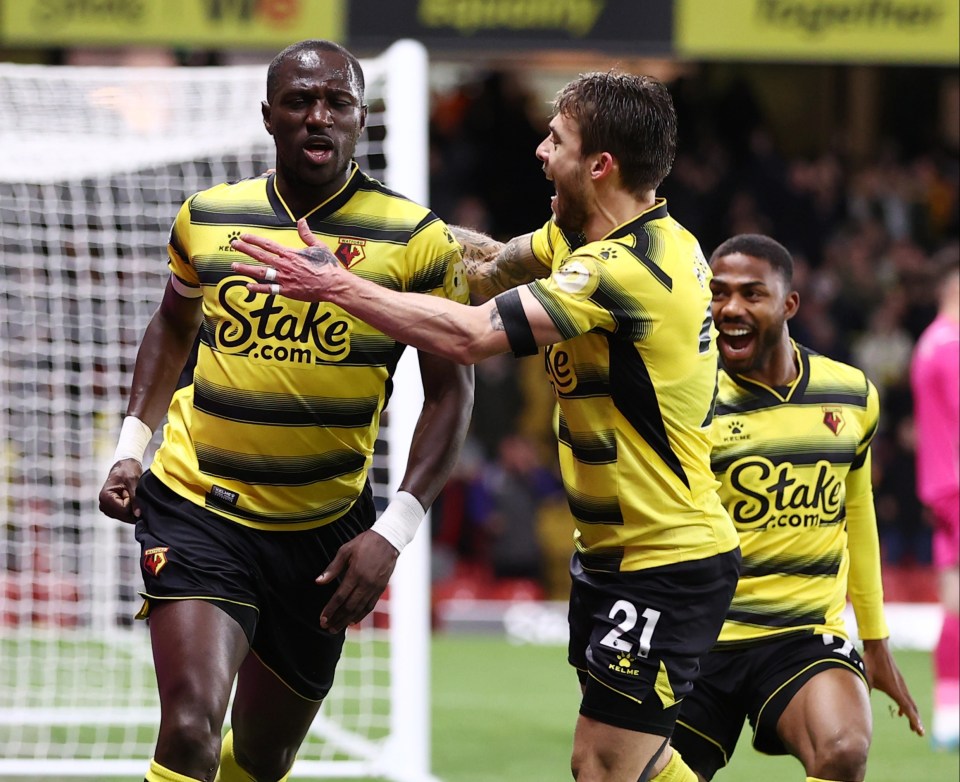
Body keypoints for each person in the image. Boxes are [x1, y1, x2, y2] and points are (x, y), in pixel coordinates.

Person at [231, 70, 742, 782]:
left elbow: (470, 334)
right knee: (641, 765)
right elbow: (483, 264)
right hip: (614, 555)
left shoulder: (621, 271)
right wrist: (383, 233)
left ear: (600, 165)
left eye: (555, 139)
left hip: (666, 558)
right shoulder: (598, 241)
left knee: (602, 765)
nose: (539, 151)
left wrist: (337, 284)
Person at [98, 39, 474, 782]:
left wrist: (393, 533)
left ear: (362, 118)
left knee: (263, 758)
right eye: (300, 101)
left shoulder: (418, 241)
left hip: (323, 533)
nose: (318, 116)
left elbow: (451, 390)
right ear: (268, 115)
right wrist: (132, 444)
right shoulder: (209, 217)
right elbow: (173, 325)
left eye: (337, 102)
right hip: (200, 508)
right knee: (188, 729)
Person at [669, 234, 923, 782]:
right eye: (718, 293)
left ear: (789, 304)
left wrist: (875, 643)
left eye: (751, 294)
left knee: (843, 749)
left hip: (801, 637)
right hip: (697, 637)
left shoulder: (851, 395)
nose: (730, 308)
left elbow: (859, 518)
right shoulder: (687, 397)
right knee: (620, 769)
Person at [910, 251, 960, 751]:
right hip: (958, 487)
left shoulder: (930, 345)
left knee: (955, 602)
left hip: (941, 487)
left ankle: (949, 711)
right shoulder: (952, 348)